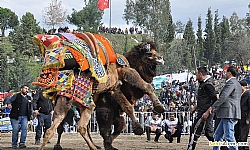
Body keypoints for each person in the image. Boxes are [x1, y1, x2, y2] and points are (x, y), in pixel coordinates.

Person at [203, 66, 241, 150]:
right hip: (228, 113)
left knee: (229, 136)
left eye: (226, 72)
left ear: (229, 73)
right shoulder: (237, 83)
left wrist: (213, 107)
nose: (224, 74)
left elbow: (223, 97)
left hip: (228, 113)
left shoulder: (231, 83)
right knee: (218, 136)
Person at [187, 66, 217, 150]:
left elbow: (215, 99)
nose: (195, 76)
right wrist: (195, 107)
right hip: (202, 110)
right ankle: (222, 147)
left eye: (196, 74)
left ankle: (190, 148)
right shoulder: (202, 84)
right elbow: (204, 99)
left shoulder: (208, 85)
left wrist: (207, 112)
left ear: (200, 74)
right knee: (209, 133)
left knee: (194, 130)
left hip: (205, 112)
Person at [234, 81, 250, 150]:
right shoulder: (239, 94)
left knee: (243, 135)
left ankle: (243, 147)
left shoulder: (248, 94)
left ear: (243, 86)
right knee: (237, 133)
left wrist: (248, 118)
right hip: (238, 116)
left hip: (244, 117)